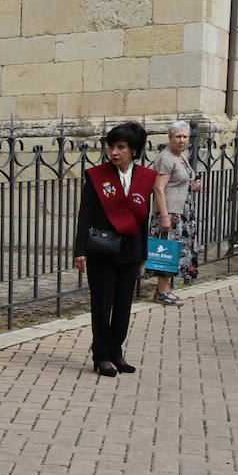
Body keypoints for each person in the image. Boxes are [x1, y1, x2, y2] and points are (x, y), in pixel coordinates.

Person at [73, 122, 157, 377]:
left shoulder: (143, 177)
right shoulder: (97, 176)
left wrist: (143, 252)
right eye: (111, 146)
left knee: (124, 305)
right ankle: (101, 356)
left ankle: (116, 352)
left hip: (130, 251)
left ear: (133, 150)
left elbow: (144, 216)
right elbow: (84, 215)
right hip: (102, 250)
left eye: (121, 147)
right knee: (102, 304)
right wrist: (80, 250)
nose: (114, 152)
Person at [146, 121, 202, 303]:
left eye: (185, 136)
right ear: (170, 138)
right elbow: (159, 188)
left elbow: (181, 181)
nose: (182, 140)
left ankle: (163, 290)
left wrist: (195, 185)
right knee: (166, 251)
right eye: (178, 136)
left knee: (175, 251)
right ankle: (162, 292)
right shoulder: (166, 158)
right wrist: (164, 216)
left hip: (182, 211)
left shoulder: (181, 157)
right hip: (170, 213)